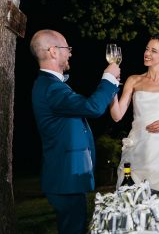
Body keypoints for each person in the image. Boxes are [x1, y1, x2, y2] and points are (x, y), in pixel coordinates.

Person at [30, 30, 120, 234]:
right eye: (67, 49)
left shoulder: (51, 85)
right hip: (65, 177)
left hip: (67, 177)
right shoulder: (51, 88)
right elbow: (93, 107)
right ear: (53, 51)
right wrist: (108, 78)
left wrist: (112, 85)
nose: (70, 53)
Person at [110, 32, 159, 194]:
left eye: (154, 51)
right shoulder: (134, 80)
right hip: (137, 151)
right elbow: (117, 115)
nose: (147, 54)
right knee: (131, 202)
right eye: (147, 49)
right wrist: (112, 86)